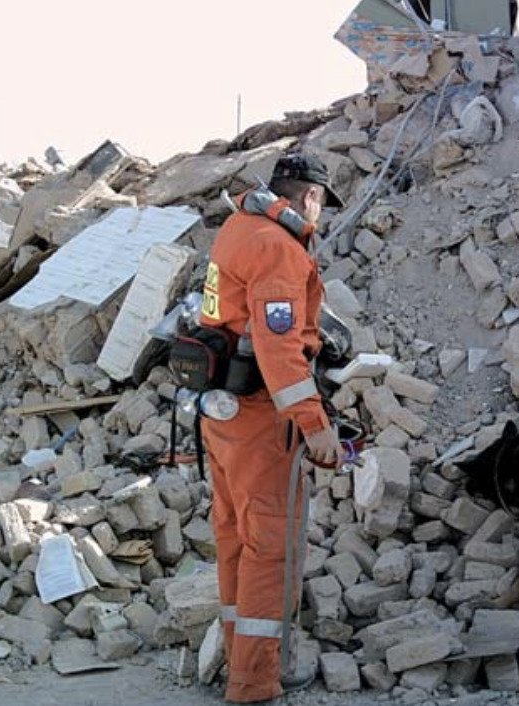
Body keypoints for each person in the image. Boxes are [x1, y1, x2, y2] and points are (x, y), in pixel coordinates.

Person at [198, 153, 345, 703]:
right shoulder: (278, 246)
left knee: (236, 536)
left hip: (220, 413)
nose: (322, 215)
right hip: (261, 417)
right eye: (323, 204)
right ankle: (255, 682)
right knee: (271, 546)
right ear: (310, 196)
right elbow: (278, 346)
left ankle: (238, 658)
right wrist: (314, 423)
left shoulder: (237, 228)